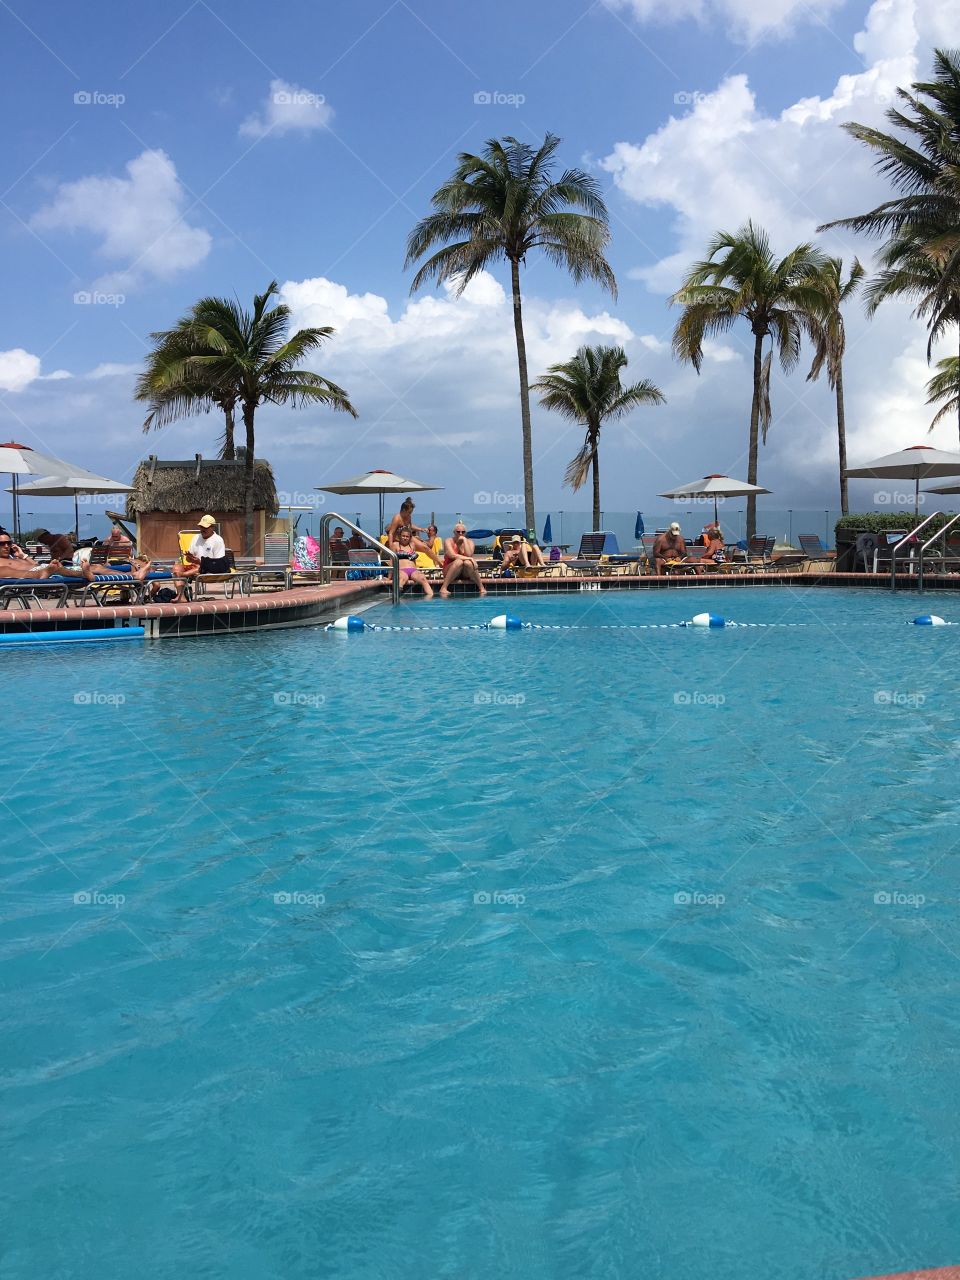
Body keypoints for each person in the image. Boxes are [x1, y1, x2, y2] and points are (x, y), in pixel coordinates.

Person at [172, 515, 229, 599]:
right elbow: (188, 559)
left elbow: (218, 563)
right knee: (176, 567)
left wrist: (200, 562)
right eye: (201, 526)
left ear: (212, 527)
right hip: (196, 567)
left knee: (199, 566)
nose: (202, 529)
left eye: (205, 527)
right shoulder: (195, 538)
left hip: (211, 568)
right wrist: (190, 558)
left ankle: (183, 574)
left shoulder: (218, 540)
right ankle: (181, 597)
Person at [389, 527, 437, 599]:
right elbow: (392, 560)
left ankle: (430, 600)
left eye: (407, 536)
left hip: (413, 570)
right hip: (402, 570)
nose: (405, 538)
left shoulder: (413, 545)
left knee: (423, 579)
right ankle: (397, 599)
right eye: (403, 536)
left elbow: (425, 548)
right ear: (399, 536)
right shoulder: (395, 545)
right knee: (401, 579)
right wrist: (389, 577)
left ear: (410, 537)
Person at [440, 524, 486, 598]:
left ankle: (481, 587)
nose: (461, 534)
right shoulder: (448, 541)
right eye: (458, 532)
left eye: (463, 532)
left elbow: (469, 554)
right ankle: (444, 588)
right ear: (454, 532)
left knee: (468, 563)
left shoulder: (470, 542)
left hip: (464, 572)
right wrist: (470, 559)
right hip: (449, 570)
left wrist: (464, 540)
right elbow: (452, 555)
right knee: (459, 561)